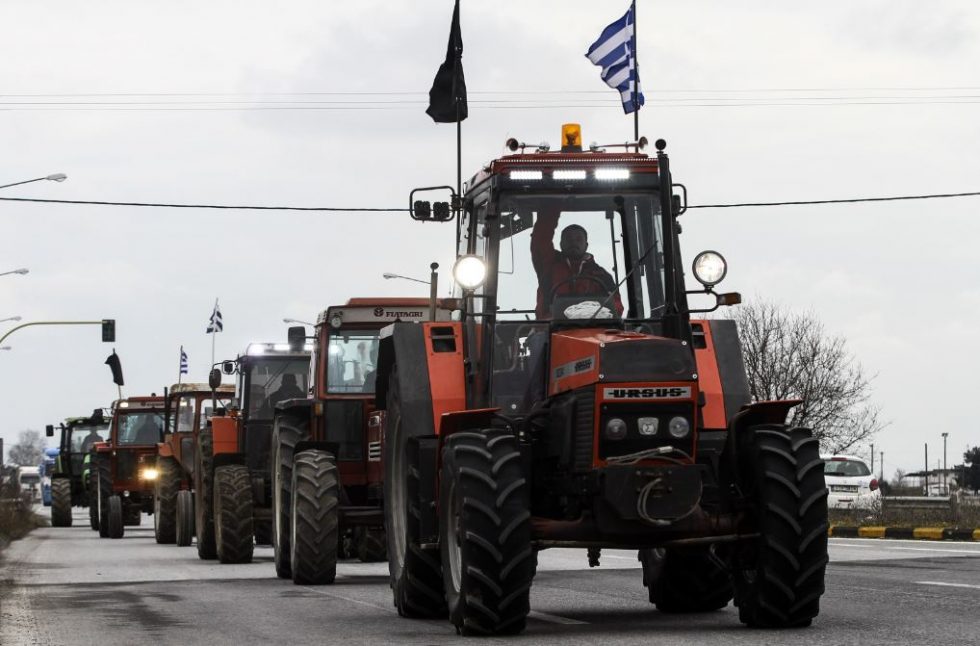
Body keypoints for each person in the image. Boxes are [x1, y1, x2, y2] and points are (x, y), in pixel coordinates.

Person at [530, 208, 624, 319]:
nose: (573, 242)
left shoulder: (602, 275)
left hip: (594, 330)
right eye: (568, 239)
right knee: (538, 337)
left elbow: (615, 307)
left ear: (586, 245)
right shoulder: (548, 266)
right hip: (550, 330)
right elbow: (541, 239)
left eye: (578, 239)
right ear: (561, 244)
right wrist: (552, 203)